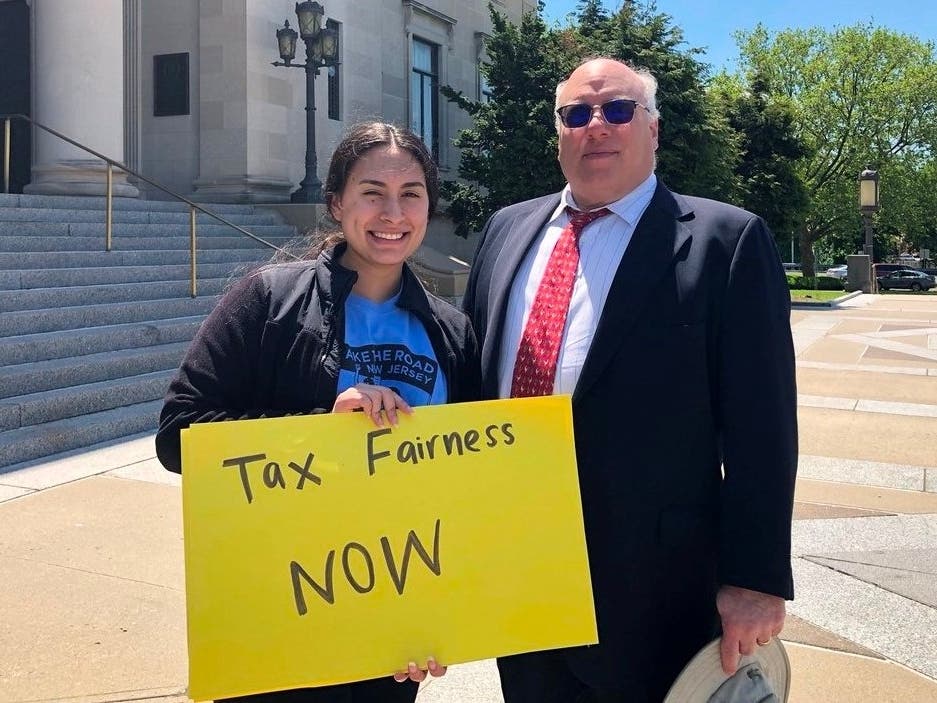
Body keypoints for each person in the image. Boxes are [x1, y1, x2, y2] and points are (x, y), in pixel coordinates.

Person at [462, 57, 797, 702]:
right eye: (575, 114)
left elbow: (762, 426)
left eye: (617, 110)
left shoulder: (726, 242)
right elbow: (470, 380)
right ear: (558, 132)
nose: (596, 126)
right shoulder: (506, 230)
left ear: (653, 129)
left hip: (654, 591)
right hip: (519, 571)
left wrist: (754, 579)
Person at [155, 121, 481, 702]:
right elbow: (179, 433)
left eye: (410, 194)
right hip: (281, 611)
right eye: (372, 192)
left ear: (429, 207)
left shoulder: (452, 332)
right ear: (336, 204)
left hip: (395, 622)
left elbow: (470, 483)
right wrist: (318, 431)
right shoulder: (268, 300)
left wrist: (445, 612)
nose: (392, 213)